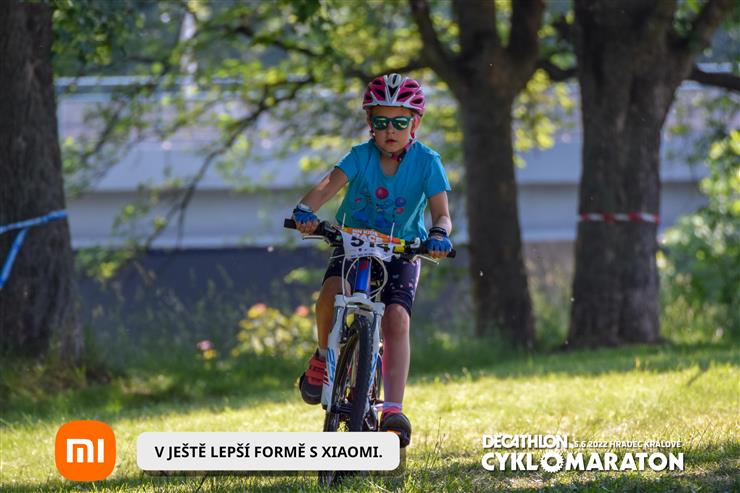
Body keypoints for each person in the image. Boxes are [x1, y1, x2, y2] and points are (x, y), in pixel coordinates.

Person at [291, 73, 453, 448]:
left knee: (396, 319)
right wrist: (305, 210)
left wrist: (439, 234)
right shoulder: (359, 156)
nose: (390, 130)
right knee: (330, 295)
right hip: (352, 244)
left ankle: (393, 409)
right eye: (381, 122)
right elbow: (326, 186)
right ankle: (323, 356)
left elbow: (442, 214)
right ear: (370, 123)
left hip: (402, 250)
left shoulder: (428, 162)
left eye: (400, 122)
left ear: (416, 123)